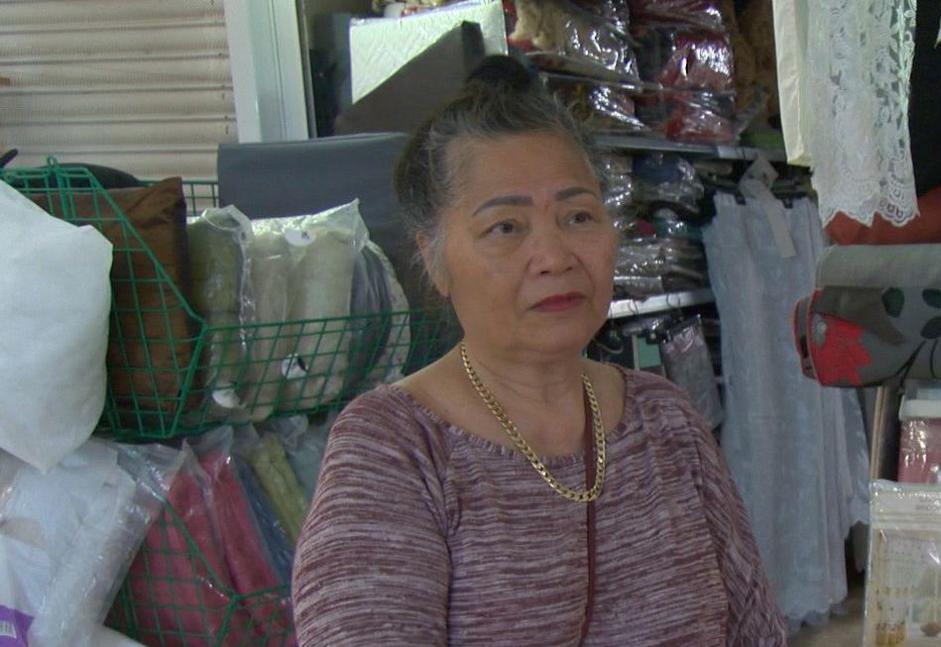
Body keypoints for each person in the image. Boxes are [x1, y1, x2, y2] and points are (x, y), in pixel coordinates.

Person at [292, 56, 788, 646]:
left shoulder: (668, 420)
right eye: (506, 227)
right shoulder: (396, 448)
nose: (554, 256)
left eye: (578, 216)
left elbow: (757, 631)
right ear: (433, 258)